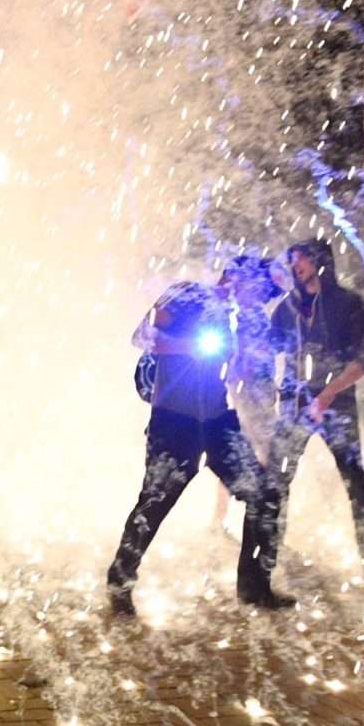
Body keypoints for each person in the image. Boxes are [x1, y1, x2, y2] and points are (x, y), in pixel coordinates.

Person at [107, 263, 288, 617]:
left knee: (264, 495)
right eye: (257, 290)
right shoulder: (185, 293)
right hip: (175, 420)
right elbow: (142, 337)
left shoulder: (234, 319)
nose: (258, 300)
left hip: (218, 420)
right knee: (155, 503)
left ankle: (254, 587)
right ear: (236, 278)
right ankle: (120, 579)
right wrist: (191, 346)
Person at [250, 238, 364, 578]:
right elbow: (269, 349)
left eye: (303, 260)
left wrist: (328, 393)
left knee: (355, 480)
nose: (296, 266)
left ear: (321, 261)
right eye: (293, 260)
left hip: (336, 403)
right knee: (276, 481)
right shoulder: (287, 307)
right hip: (294, 403)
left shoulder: (350, 304)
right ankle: (267, 558)